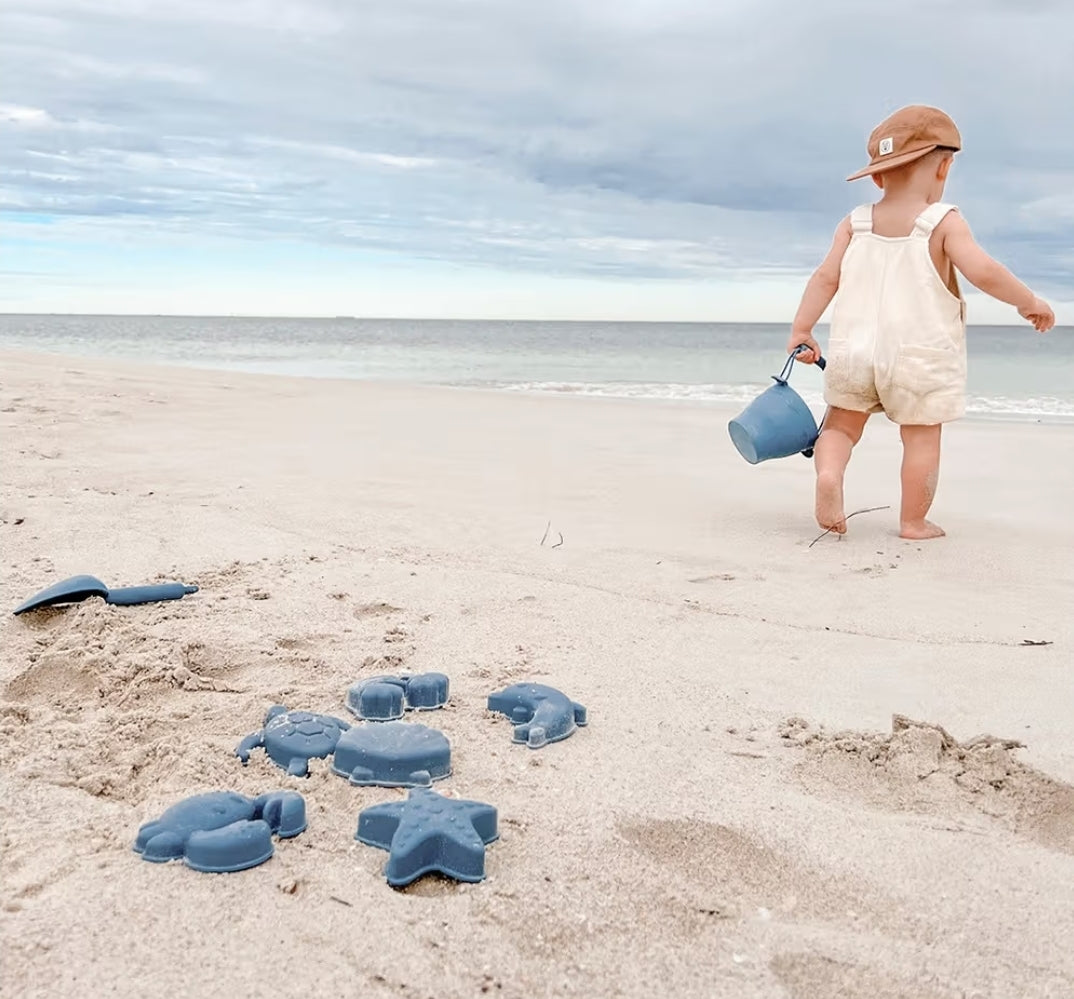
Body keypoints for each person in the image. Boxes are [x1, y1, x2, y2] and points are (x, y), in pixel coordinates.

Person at [787, 105, 1054, 540]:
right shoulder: (942, 222)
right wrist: (1028, 302)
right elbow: (983, 271)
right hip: (920, 358)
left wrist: (802, 329)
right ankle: (913, 522)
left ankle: (829, 475)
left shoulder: (854, 225)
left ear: (877, 177)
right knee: (921, 440)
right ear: (944, 167)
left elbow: (825, 278)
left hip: (854, 350)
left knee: (839, 426)